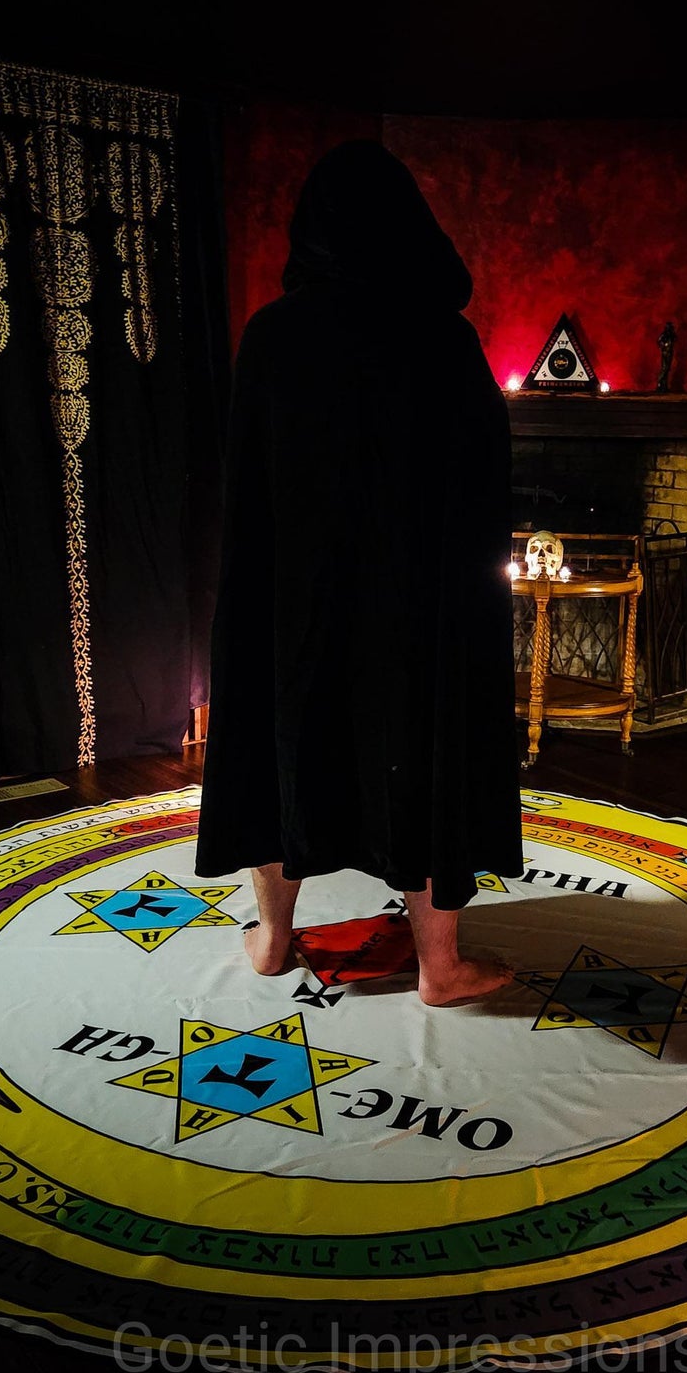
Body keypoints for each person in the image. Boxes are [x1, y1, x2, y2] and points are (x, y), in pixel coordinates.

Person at [194, 139, 523, 1006]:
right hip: (416, 604)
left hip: (291, 600)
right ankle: (441, 967)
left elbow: (245, 488)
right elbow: (489, 478)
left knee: (278, 749)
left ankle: (271, 938)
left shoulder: (272, 336)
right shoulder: (445, 341)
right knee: (422, 754)